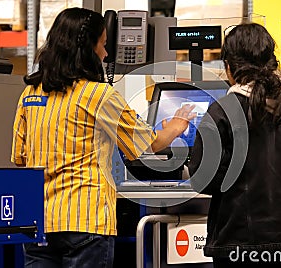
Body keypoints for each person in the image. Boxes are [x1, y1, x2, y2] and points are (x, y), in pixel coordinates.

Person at [10, 7, 195, 268]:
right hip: (85, 221)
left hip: (39, 221)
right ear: (89, 48)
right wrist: (176, 126)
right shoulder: (99, 95)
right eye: (104, 44)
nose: (106, 53)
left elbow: (20, 159)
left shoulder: (30, 94)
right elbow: (149, 144)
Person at [188, 23, 281, 267]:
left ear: (229, 67)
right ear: (273, 62)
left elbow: (203, 179)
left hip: (238, 246)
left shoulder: (222, 113)